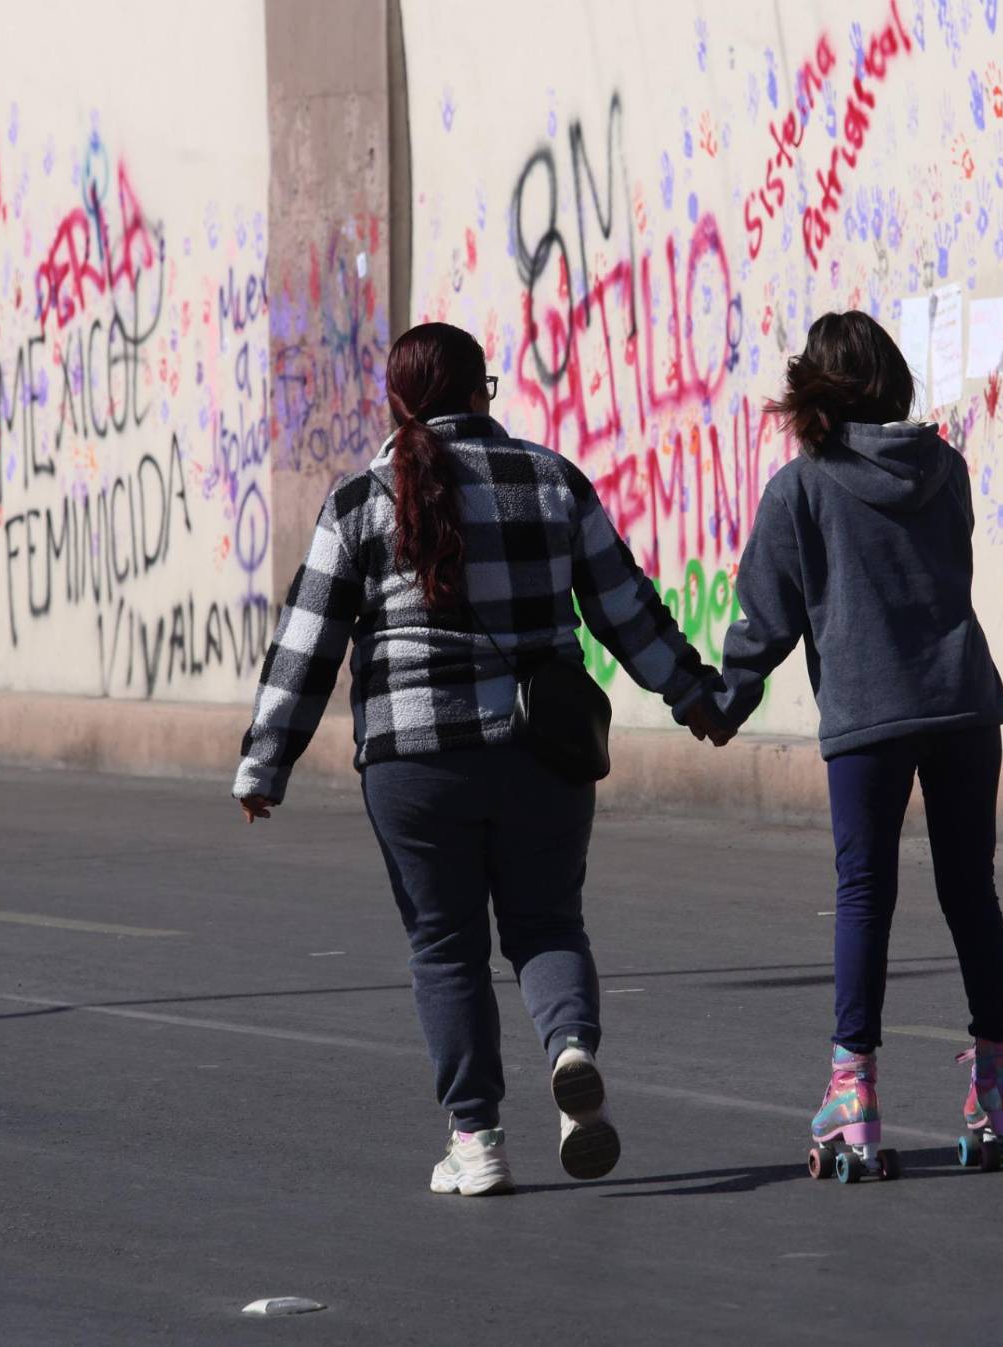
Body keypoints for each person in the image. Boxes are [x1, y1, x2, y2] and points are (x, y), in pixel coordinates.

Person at [234, 322, 726, 1196]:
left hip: (414, 762)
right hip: (544, 750)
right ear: (481, 393)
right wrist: (693, 695)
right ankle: (570, 1052)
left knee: (446, 947)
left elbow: (305, 645)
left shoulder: (359, 500)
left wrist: (264, 763)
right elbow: (625, 607)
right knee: (546, 924)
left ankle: (478, 1139)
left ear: (396, 401)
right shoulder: (551, 479)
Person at [698, 310, 1003, 1174]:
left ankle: (854, 1100)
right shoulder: (947, 469)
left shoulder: (801, 489)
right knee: (971, 893)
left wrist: (722, 706)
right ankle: (1000, 1095)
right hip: (963, 706)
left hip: (869, 717)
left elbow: (765, 622)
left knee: (863, 897)